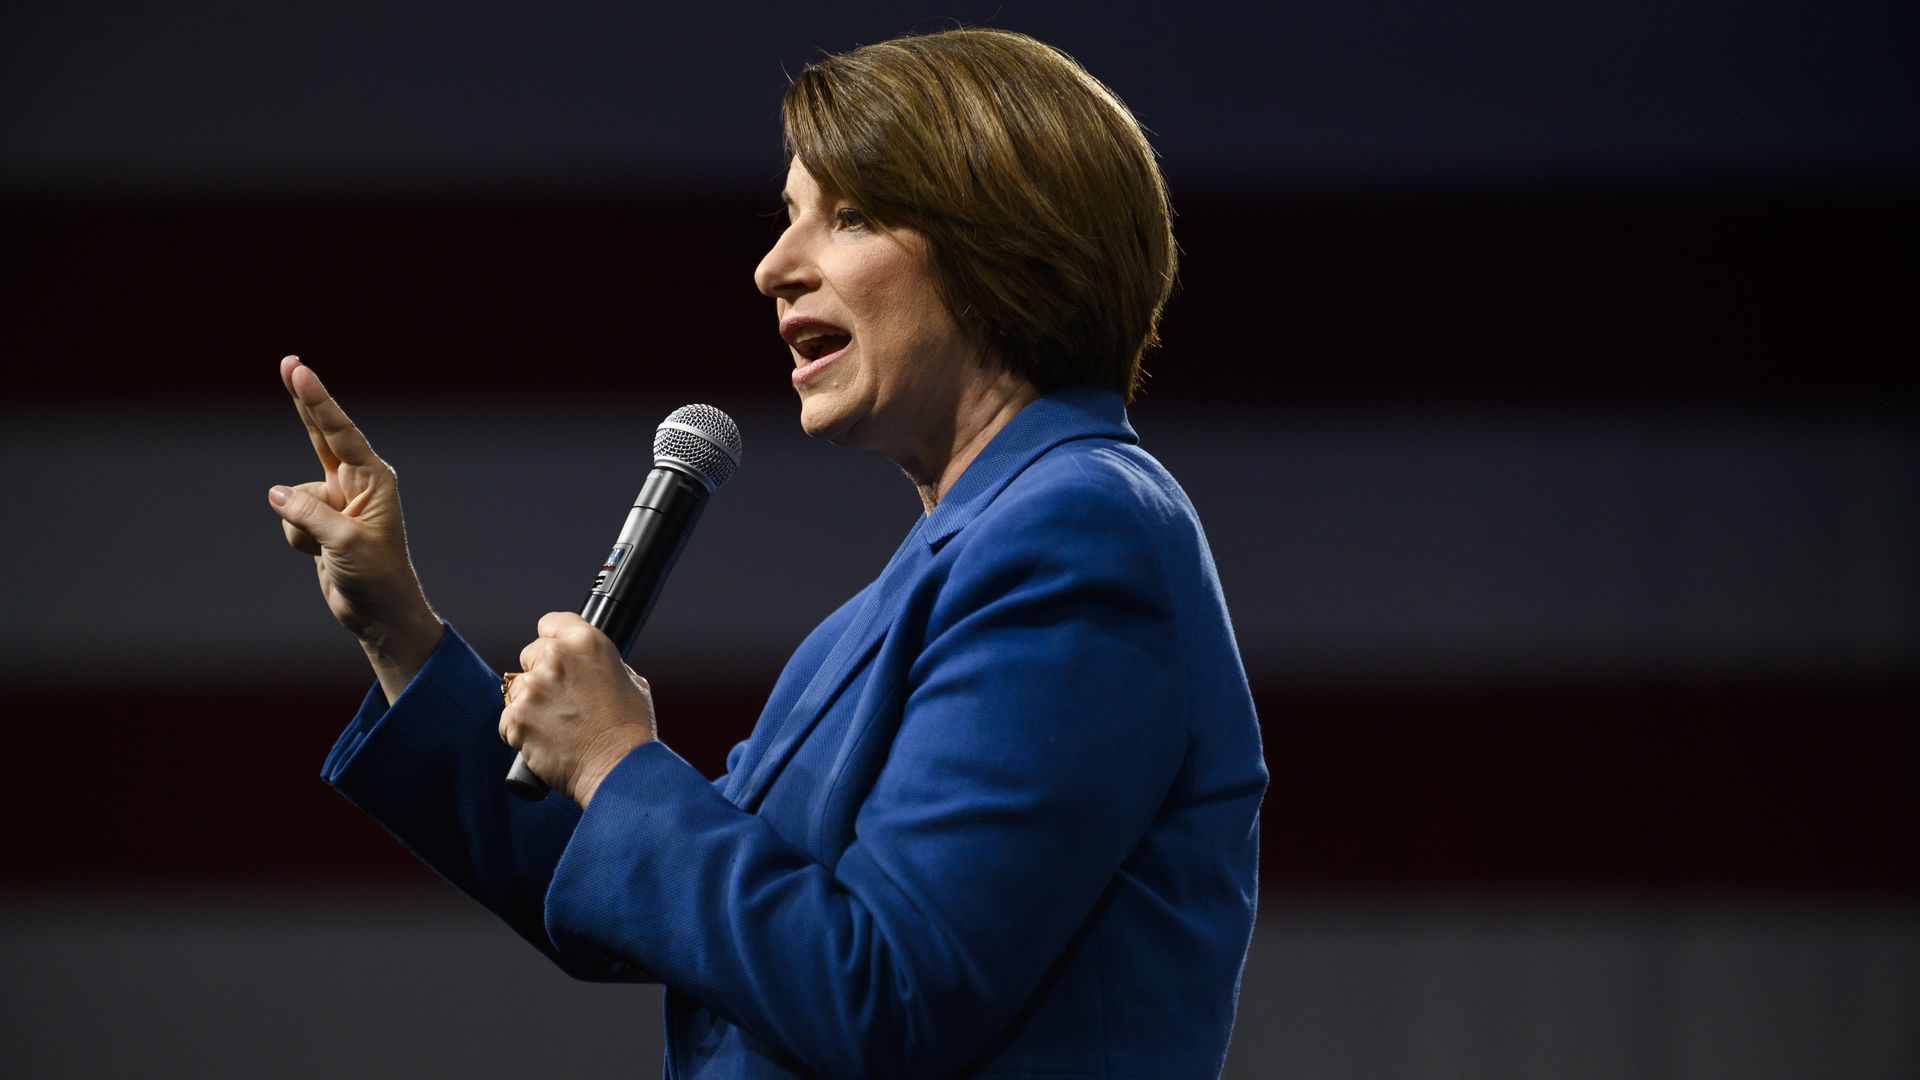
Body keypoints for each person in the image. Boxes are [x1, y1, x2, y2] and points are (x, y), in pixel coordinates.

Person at [269, 28, 1265, 1080]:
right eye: (788, 217)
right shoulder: (912, 593)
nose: (772, 268)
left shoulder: (1076, 533)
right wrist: (399, 629)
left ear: (1006, 242)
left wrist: (614, 761)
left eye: (848, 216)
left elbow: (885, 993)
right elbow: (665, 902)